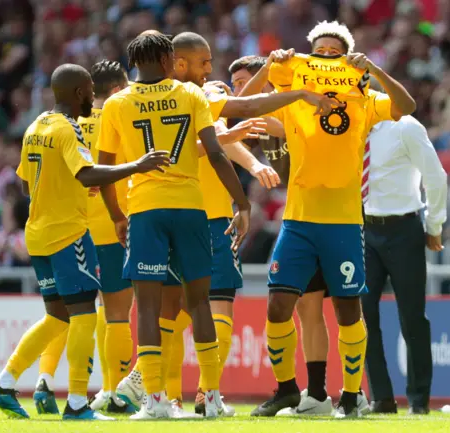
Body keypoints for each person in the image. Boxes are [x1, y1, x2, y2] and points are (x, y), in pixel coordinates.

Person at [115, 30, 336, 416]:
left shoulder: (149, 99)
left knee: (178, 306)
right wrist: (248, 173)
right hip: (202, 213)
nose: (210, 71)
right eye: (205, 64)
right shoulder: (195, 95)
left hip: (159, 211)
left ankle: (169, 392)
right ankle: (188, 392)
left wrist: (251, 162)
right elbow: (235, 117)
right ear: (178, 62)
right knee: (200, 305)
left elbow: (222, 133)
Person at [0, 63, 170, 422]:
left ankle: (4, 383)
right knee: (85, 314)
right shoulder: (68, 130)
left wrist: (62, 185)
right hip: (68, 233)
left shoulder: (36, 125)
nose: (91, 97)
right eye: (87, 91)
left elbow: (26, 183)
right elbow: (86, 174)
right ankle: (78, 404)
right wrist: (137, 166)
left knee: (57, 317)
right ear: (79, 91)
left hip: (37, 234)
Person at [248, 21, 416, 418]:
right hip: (298, 220)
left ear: (346, 58)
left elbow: (407, 107)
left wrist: (373, 70)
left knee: (347, 312)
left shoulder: (364, 96)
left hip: (343, 223)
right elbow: (241, 101)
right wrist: (269, 65)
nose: (324, 57)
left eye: (332, 52)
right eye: (318, 51)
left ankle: (353, 397)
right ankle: (288, 390)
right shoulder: (293, 95)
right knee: (276, 307)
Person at [98, 31, 251, 420]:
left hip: (146, 211)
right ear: (169, 60)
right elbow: (216, 154)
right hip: (190, 209)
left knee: (147, 309)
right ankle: (211, 397)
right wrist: (242, 202)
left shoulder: (117, 104)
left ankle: (154, 401)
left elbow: (104, 170)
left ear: (134, 62)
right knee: (199, 302)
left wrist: (117, 216)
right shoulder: (191, 96)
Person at [227, 54, 338, 416]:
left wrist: (266, 75)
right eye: (235, 85)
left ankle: (331, 393)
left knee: (323, 309)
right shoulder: (266, 116)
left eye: (243, 83)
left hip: (329, 216)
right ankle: (295, 390)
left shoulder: (294, 106)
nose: (238, 91)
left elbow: (267, 117)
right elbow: (230, 131)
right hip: (299, 219)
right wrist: (255, 164)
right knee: (286, 304)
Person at [362, 114, 447, 415]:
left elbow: (435, 176)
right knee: (362, 315)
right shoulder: (350, 125)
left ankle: (418, 401)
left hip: (404, 230)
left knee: (412, 317)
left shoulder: (406, 126)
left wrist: (434, 225)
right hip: (364, 228)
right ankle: (381, 397)